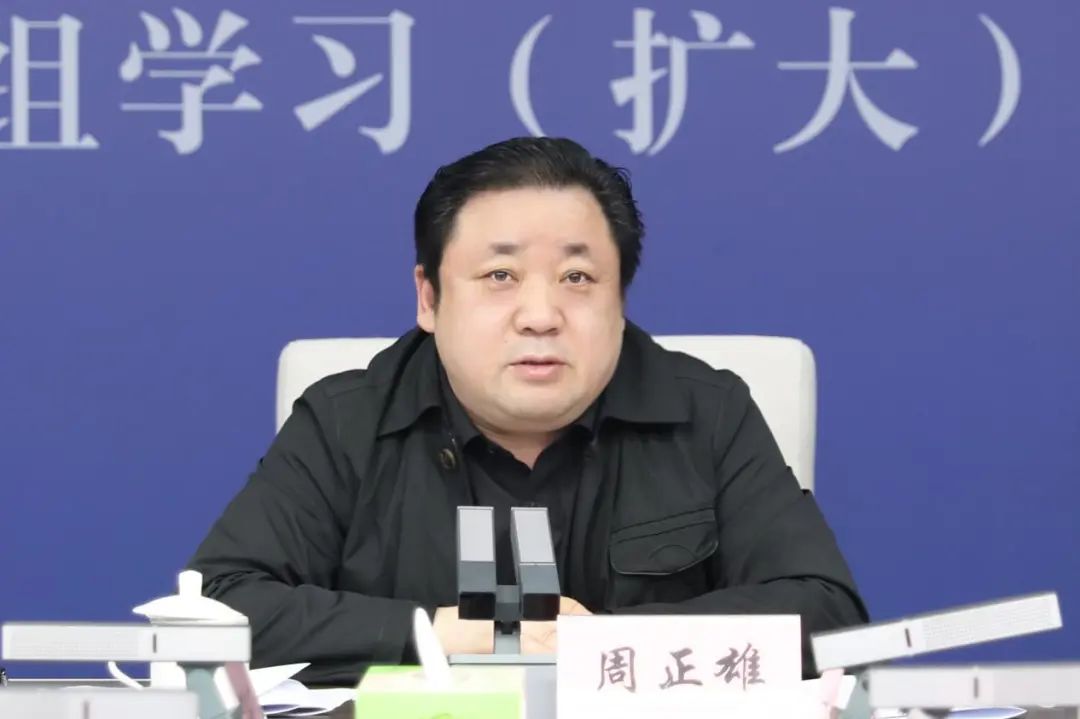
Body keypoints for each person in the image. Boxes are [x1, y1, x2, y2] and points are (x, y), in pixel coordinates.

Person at [188, 136, 868, 685]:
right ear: (429, 298)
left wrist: (606, 646)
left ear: (620, 299)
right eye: (500, 276)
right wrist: (441, 633)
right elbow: (219, 604)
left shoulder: (708, 412)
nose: (540, 315)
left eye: (577, 277)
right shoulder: (347, 420)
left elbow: (826, 612)